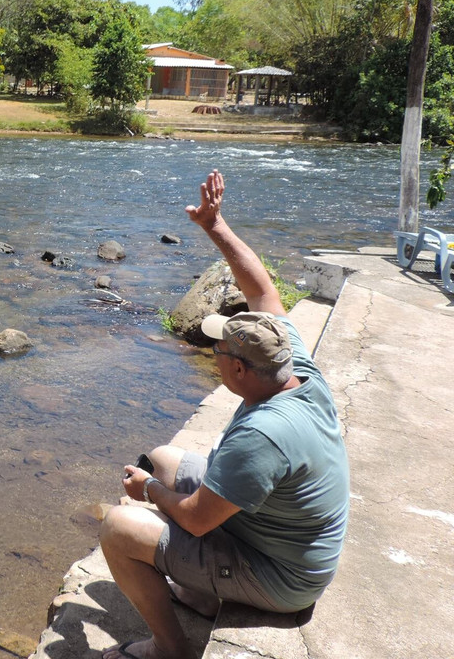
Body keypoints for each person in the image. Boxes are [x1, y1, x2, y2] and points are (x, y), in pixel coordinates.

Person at [99, 170, 350, 659]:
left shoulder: (264, 433)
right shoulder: (292, 364)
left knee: (120, 525)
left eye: (217, 348)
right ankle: (199, 587)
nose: (211, 351)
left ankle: (169, 649)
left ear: (237, 368)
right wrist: (215, 226)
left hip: (282, 578)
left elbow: (194, 520)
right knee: (167, 457)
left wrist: (148, 492)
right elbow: (262, 293)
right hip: (281, 542)